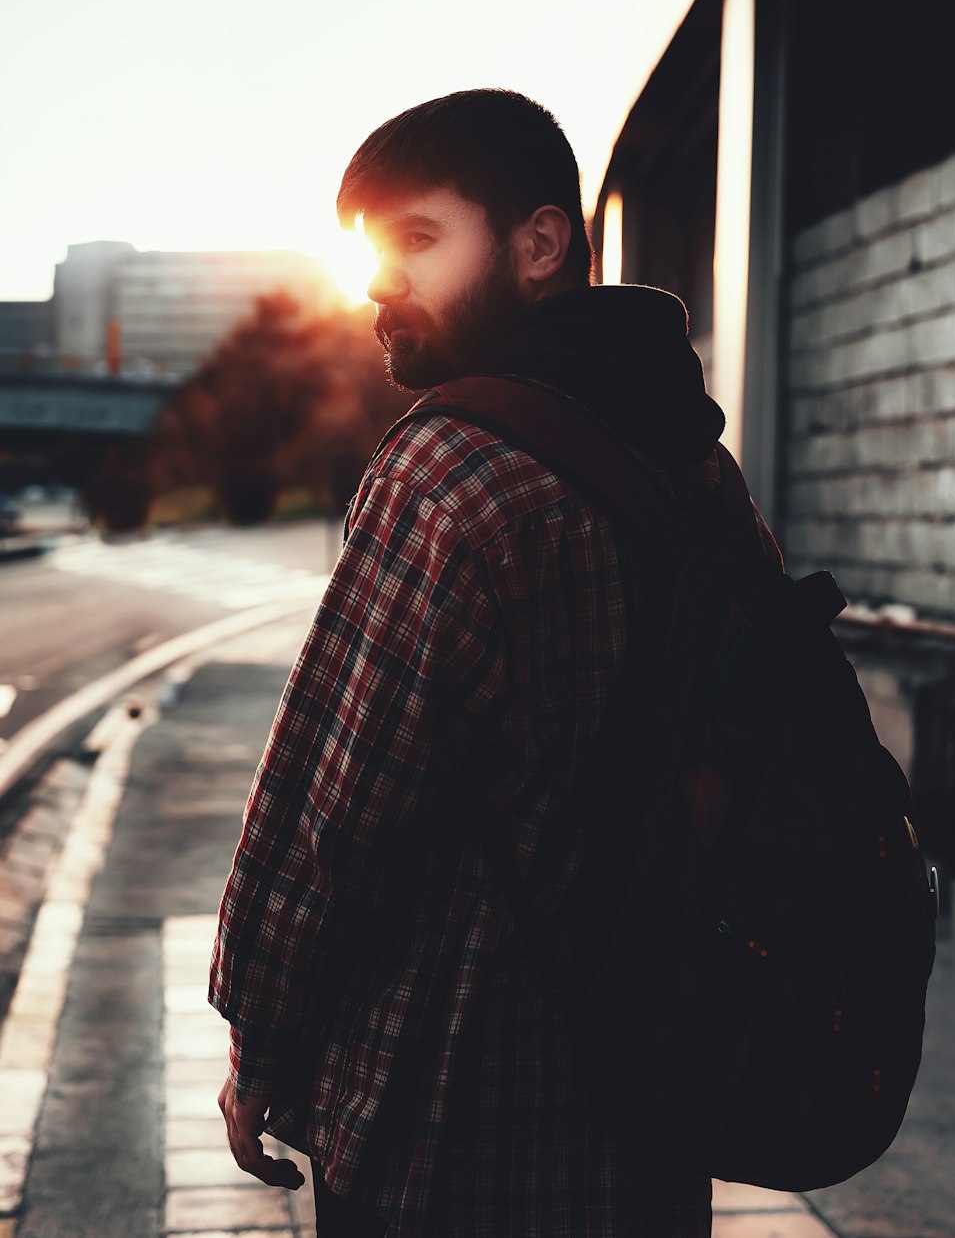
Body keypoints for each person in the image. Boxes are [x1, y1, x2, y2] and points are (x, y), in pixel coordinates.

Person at [210, 89, 735, 1237]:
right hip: (648, 1100)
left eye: (416, 238)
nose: (376, 283)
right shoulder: (688, 460)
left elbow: (333, 809)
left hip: (449, 1117)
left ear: (539, 243)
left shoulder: (449, 471)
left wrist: (260, 1028)